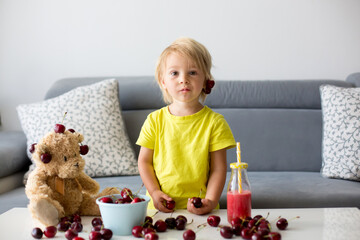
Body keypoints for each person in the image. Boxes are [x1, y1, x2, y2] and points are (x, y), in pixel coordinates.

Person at [136, 37, 236, 215]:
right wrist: (155, 192)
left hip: (203, 209)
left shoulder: (215, 122)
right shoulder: (154, 120)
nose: (183, 79)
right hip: (160, 209)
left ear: (206, 80)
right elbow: (144, 162)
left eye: (192, 72)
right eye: (174, 73)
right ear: (163, 81)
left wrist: (211, 201)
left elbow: (218, 169)